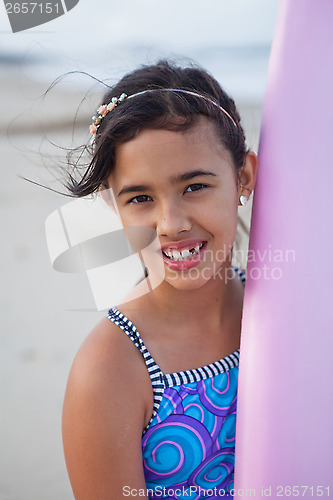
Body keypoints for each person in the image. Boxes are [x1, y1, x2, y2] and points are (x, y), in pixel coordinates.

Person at [61, 60, 257, 499]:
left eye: (194, 187)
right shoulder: (111, 369)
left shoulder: (275, 311)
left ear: (243, 177)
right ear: (114, 206)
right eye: (141, 198)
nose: (169, 224)